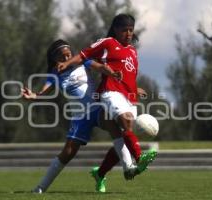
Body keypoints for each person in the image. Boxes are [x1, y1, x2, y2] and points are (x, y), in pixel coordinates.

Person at [56, 14, 157, 193]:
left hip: (128, 95)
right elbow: (83, 55)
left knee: (123, 136)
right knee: (126, 121)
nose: (128, 33)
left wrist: (136, 87)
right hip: (110, 92)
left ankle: (100, 173)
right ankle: (139, 158)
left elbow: (129, 75)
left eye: (130, 30)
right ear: (116, 29)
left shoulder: (133, 51)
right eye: (124, 29)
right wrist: (67, 64)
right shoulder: (108, 42)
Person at [21, 39, 137, 194]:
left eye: (69, 54)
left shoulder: (83, 63)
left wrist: (110, 72)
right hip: (80, 116)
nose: (67, 57)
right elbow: (43, 92)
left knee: (113, 124)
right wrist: (34, 96)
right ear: (55, 59)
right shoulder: (54, 74)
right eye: (63, 56)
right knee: (67, 153)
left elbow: (99, 66)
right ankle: (40, 188)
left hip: (97, 108)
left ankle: (128, 166)